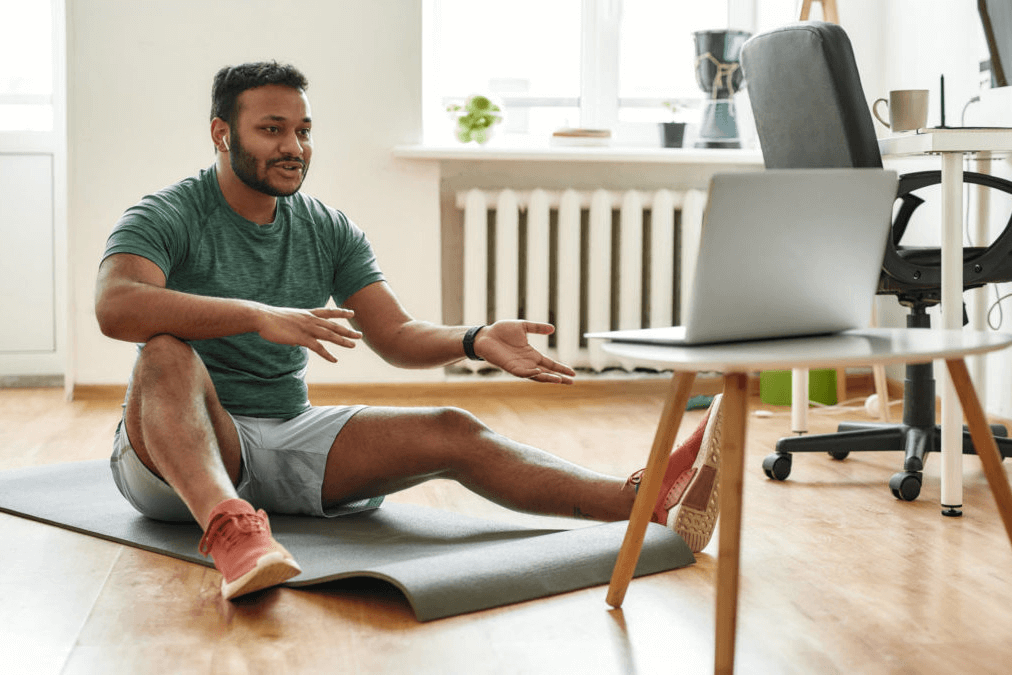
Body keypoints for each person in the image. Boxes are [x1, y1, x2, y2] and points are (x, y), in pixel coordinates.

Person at [94, 61, 726, 601]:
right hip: (176, 450)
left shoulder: (325, 227)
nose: (294, 147)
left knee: (452, 427)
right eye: (272, 129)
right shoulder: (168, 214)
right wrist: (256, 314)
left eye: (304, 131)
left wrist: (475, 338)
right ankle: (232, 532)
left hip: (283, 432)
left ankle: (642, 502)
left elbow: (395, 335)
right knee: (164, 353)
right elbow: (116, 306)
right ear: (221, 133)